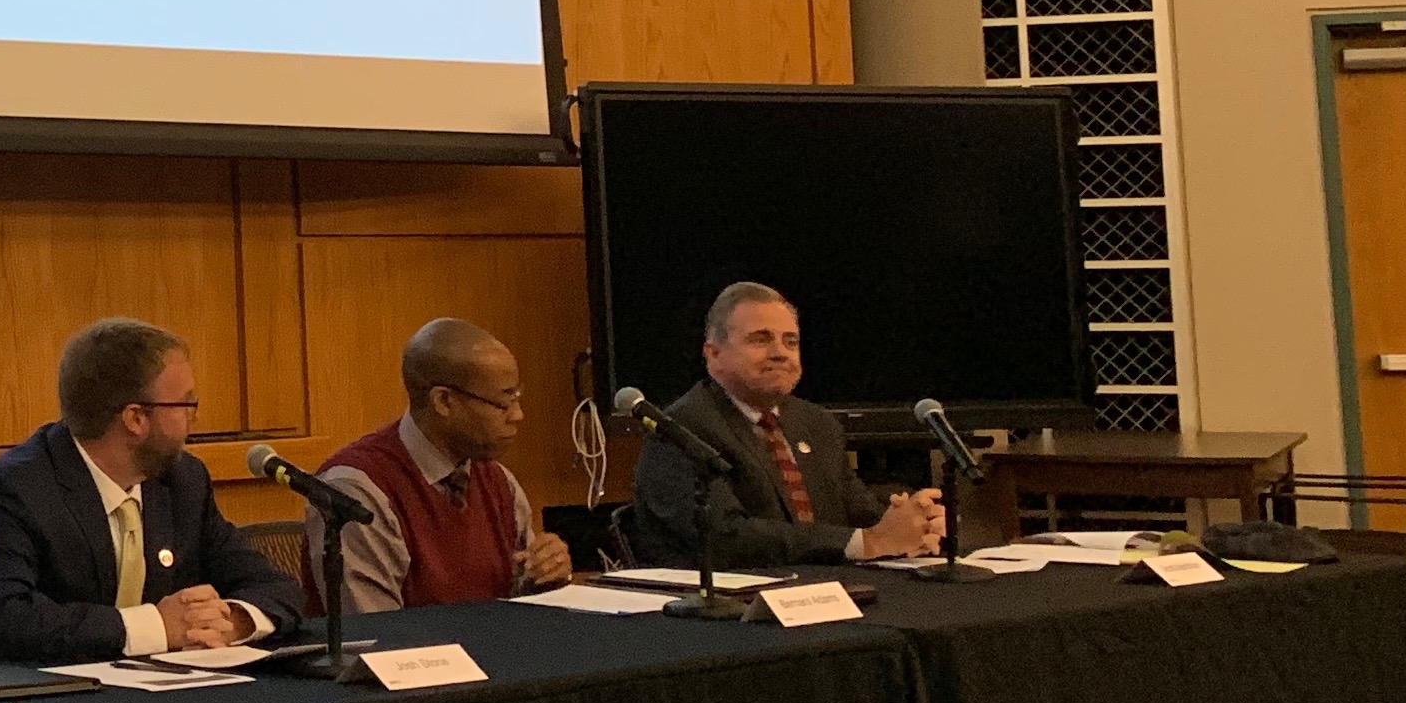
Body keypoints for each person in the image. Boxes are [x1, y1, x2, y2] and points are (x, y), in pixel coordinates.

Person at [0, 316, 306, 661]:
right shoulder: (12, 491)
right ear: (135, 418)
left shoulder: (183, 482)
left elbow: (276, 587)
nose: (195, 420)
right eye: (186, 406)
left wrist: (232, 620)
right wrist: (156, 626)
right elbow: (6, 622)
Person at [626, 281, 946, 574]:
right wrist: (868, 542)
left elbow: (859, 510)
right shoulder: (681, 429)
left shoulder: (816, 423)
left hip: (824, 594)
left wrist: (914, 525)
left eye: (790, 342)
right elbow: (726, 538)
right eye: (760, 339)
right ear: (714, 354)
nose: (780, 353)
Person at [314, 317, 574, 614]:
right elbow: (377, 633)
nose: (518, 415)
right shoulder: (357, 490)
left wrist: (547, 577)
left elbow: (520, 606)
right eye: (503, 403)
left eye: (517, 397)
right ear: (444, 402)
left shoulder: (499, 482)